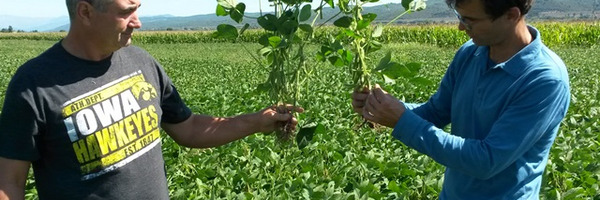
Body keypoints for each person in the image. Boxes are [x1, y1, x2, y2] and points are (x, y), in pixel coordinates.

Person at [0, 0, 302, 199]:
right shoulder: (33, 85)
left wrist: (256, 121)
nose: (137, 22)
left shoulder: (140, 61)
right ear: (86, 12)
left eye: (138, 8)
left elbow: (190, 128)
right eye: (125, 12)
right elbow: (9, 184)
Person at [352, 0, 570, 199]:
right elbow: (436, 111)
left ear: (511, 15)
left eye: (470, 20)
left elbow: (486, 161)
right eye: (460, 17)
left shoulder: (544, 79)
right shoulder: (470, 53)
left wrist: (401, 120)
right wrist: (382, 108)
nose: (460, 27)